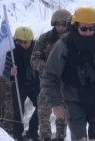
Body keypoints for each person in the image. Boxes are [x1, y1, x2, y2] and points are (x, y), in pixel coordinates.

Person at [40, 6, 95, 140]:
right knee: (79, 138)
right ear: (76, 26)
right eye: (83, 28)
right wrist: (56, 103)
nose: (88, 32)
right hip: (73, 101)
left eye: (91, 28)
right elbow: (49, 75)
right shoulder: (63, 45)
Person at [31, 9, 71, 141]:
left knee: (62, 113)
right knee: (43, 111)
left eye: (63, 24)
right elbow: (34, 59)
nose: (60, 27)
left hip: (66, 82)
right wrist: (48, 68)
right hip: (47, 82)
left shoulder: (73, 38)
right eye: (57, 24)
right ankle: (45, 137)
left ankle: (60, 137)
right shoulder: (45, 38)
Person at [6, 26, 40, 141]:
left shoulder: (37, 49)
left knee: (42, 106)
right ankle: (18, 135)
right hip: (19, 85)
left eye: (27, 42)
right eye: (21, 42)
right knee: (18, 111)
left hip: (35, 84)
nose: (24, 44)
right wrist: (10, 72)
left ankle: (33, 131)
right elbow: (5, 69)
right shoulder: (11, 51)